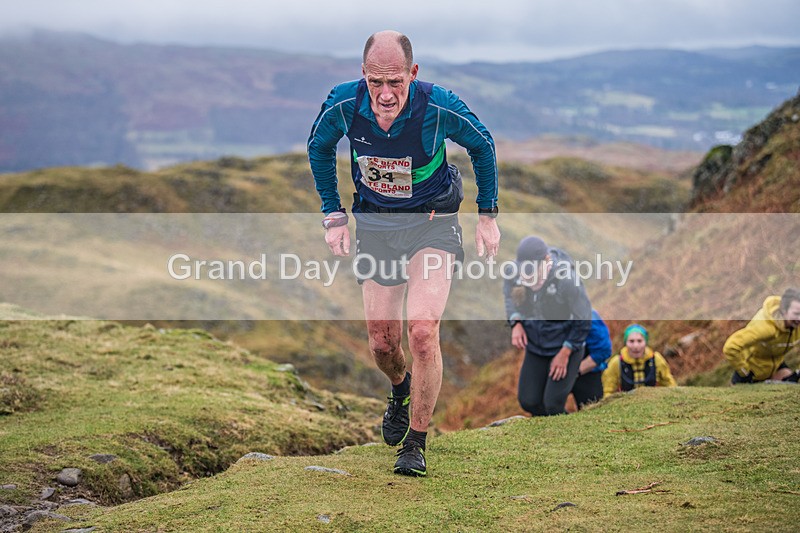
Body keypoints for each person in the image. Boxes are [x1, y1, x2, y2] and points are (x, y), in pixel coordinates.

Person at [307, 30, 501, 477]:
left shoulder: (438, 105)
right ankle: (400, 387)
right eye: (376, 82)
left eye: (396, 81)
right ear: (363, 75)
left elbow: (483, 145)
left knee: (422, 332)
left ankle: (415, 442)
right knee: (382, 342)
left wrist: (487, 214)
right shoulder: (343, 104)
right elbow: (318, 148)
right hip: (376, 230)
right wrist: (333, 214)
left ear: (413, 73)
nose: (386, 94)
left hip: (431, 226)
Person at [505, 236, 592, 416]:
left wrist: (566, 352)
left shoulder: (567, 280)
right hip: (536, 345)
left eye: (534, 275)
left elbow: (583, 319)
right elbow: (509, 294)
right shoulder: (514, 272)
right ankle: (545, 435)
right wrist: (515, 321)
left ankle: (564, 433)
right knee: (528, 402)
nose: (529, 279)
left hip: (566, 345)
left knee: (552, 405)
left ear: (546, 261)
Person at [723, 288, 800, 384]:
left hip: (776, 367)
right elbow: (731, 346)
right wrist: (745, 372)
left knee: (791, 387)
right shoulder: (766, 329)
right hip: (752, 372)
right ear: (784, 311)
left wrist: (797, 373)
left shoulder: (796, 326)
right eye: (796, 314)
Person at [602, 324, 677, 395]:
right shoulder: (616, 362)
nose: (636, 346)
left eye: (639, 341)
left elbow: (670, 384)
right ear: (625, 343)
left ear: (645, 342)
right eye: (631, 341)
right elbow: (607, 391)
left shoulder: (656, 359)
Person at [571, 309, 612, 409]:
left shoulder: (590, 316)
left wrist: (575, 371)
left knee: (592, 409)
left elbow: (604, 349)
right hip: (558, 370)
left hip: (588, 372)